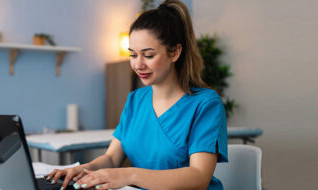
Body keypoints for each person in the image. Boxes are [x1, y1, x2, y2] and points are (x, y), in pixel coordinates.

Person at [45, 0, 228, 189]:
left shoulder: (205, 104)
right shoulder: (136, 99)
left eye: (148, 55)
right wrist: (84, 169)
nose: (138, 65)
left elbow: (198, 177)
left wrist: (129, 174)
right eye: (133, 55)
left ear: (174, 52)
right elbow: (111, 158)